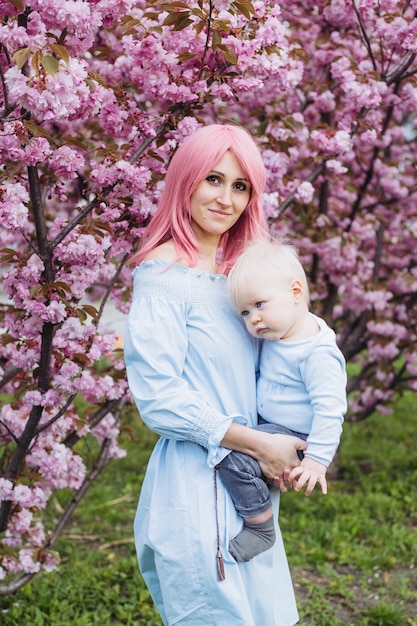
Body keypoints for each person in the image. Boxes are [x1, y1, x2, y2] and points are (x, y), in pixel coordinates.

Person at [124, 123, 306, 626]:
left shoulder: (240, 273)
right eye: (213, 179)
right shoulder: (165, 275)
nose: (227, 198)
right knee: (217, 612)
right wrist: (257, 443)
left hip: (249, 472)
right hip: (196, 475)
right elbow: (158, 397)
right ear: (185, 181)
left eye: (241, 185)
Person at [218, 239, 347, 562]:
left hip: (297, 434)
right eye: (245, 312)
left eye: (260, 304)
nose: (253, 320)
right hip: (272, 424)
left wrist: (317, 460)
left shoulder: (316, 353)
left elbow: (330, 410)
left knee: (231, 459)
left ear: (295, 292)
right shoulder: (279, 332)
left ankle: (259, 526)